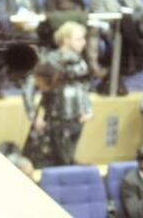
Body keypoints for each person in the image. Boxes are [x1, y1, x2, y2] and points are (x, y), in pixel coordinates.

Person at [22, 22, 93, 167]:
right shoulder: (49, 61)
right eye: (79, 39)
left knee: (69, 157)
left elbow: (84, 88)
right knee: (60, 161)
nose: (84, 43)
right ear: (66, 40)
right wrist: (32, 117)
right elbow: (28, 88)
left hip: (77, 119)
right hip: (56, 120)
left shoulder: (81, 62)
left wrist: (88, 108)